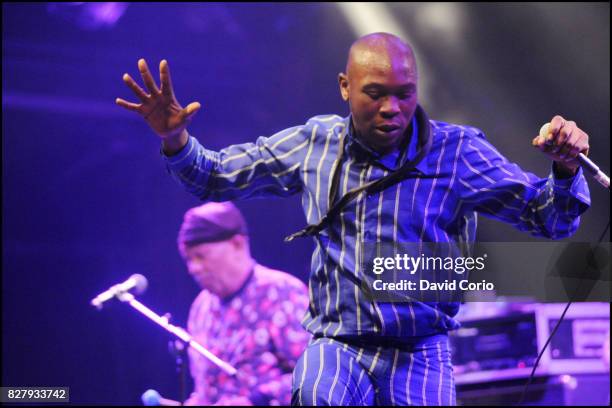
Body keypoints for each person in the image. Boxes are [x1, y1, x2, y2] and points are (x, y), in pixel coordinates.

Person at [117, 32, 591, 405]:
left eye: (405, 94)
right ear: (345, 87)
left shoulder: (458, 151)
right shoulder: (315, 143)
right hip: (338, 345)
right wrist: (176, 138)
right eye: (375, 93)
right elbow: (216, 176)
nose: (393, 108)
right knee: (319, 392)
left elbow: (549, 218)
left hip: (420, 350)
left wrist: (566, 168)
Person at [176, 202, 310, 406]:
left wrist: (257, 400)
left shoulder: (281, 292)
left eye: (200, 256)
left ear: (237, 244)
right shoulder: (200, 308)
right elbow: (208, 389)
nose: (193, 268)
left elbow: (318, 375)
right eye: (188, 259)